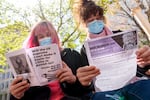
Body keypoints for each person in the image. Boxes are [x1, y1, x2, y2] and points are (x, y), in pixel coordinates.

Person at [73, 0, 150, 100]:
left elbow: (137, 69)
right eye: (90, 20)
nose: (95, 22)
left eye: (98, 18)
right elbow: (90, 84)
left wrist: (143, 63)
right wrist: (85, 82)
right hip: (106, 92)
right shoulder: (84, 50)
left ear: (103, 18)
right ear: (84, 25)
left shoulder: (120, 36)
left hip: (133, 83)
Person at [9, 20, 93, 100]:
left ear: (55, 36)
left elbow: (87, 90)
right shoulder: (26, 63)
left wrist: (73, 80)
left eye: (49, 35)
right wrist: (16, 95)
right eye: (41, 36)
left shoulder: (72, 55)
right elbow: (19, 96)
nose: (45, 38)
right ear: (35, 40)